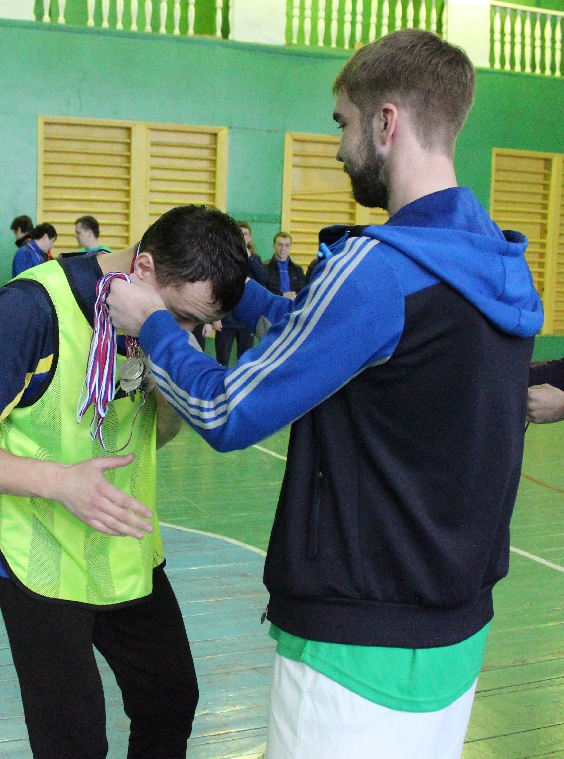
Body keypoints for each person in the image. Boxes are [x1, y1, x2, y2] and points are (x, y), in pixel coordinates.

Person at [106, 30, 542, 759]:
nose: (339, 146)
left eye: (343, 122)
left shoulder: (376, 269)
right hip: (453, 639)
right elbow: (325, 335)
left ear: (386, 122)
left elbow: (224, 409)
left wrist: (153, 322)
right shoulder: (494, 263)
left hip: (354, 654)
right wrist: (230, 287)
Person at [0, 205, 250, 759]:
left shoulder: (157, 328)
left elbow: (154, 435)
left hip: (125, 551)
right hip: (39, 559)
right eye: (180, 316)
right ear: (143, 268)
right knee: (73, 741)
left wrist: (169, 378)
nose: (184, 334)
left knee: (170, 701)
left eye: (198, 324)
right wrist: (60, 482)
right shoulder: (31, 308)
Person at [208, 220, 268, 366]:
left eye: (245, 234)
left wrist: (249, 257)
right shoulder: (224, 258)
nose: (242, 237)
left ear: (250, 237)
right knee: (222, 360)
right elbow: (215, 286)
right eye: (239, 234)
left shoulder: (254, 259)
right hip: (225, 318)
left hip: (247, 319)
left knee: (245, 361)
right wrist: (214, 316)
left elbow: (264, 279)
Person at [264, 232, 306, 299]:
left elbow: (303, 290)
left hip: (292, 303)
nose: (283, 248)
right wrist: (282, 295)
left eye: (287, 245)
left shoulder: (297, 269)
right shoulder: (265, 267)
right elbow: (263, 291)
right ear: (274, 245)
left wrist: (295, 294)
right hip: (274, 303)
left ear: (290, 247)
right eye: (280, 245)